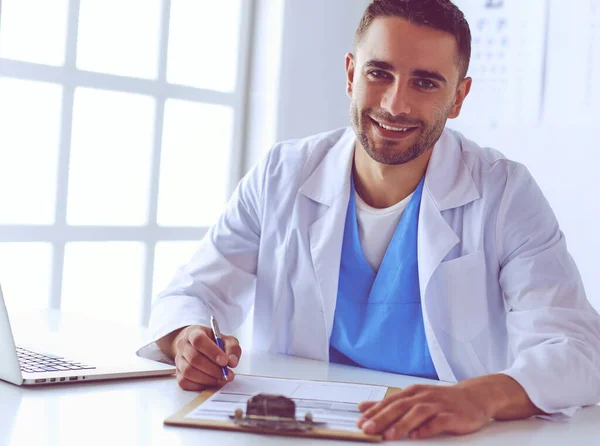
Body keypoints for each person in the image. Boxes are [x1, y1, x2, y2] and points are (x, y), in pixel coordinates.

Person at [138, 0, 600, 440]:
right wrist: (188, 339)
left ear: (459, 96)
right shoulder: (282, 174)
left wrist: (479, 397)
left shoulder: (505, 193)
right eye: (379, 73)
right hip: (300, 431)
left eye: (425, 83)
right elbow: (192, 294)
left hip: (440, 438)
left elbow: (578, 351)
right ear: (350, 74)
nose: (395, 105)